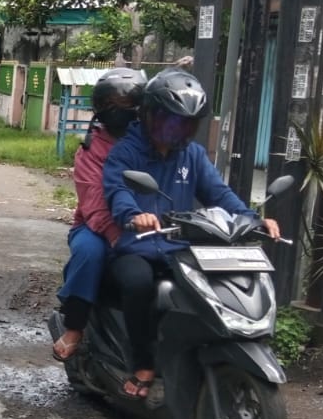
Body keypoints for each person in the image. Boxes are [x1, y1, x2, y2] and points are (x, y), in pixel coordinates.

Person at [101, 68, 282, 398]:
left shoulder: (193, 155)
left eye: (186, 123)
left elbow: (219, 194)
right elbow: (117, 190)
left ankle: (199, 356)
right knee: (139, 283)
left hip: (178, 248)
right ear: (149, 115)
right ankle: (142, 363)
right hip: (136, 247)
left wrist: (253, 218)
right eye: (171, 121)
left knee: (211, 286)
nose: (178, 130)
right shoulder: (126, 152)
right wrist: (134, 215)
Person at [52, 67, 146, 362]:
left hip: (148, 227)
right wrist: (119, 236)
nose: (120, 112)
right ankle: (75, 327)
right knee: (90, 253)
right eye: (111, 105)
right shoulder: (91, 149)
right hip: (95, 227)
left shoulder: (152, 144)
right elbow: (93, 203)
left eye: (128, 105)